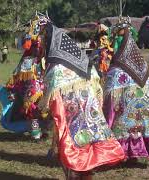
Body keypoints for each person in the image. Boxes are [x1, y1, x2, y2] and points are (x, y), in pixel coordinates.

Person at [32, 13, 125, 180]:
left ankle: (74, 176)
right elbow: (97, 87)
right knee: (87, 145)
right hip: (91, 113)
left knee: (70, 147)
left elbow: (50, 100)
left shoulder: (56, 69)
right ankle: (84, 175)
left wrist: (48, 113)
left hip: (70, 115)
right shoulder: (82, 60)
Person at [103, 16, 149, 162]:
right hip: (142, 115)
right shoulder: (144, 69)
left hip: (124, 116)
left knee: (123, 122)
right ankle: (137, 150)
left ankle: (121, 151)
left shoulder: (116, 72)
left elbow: (109, 103)